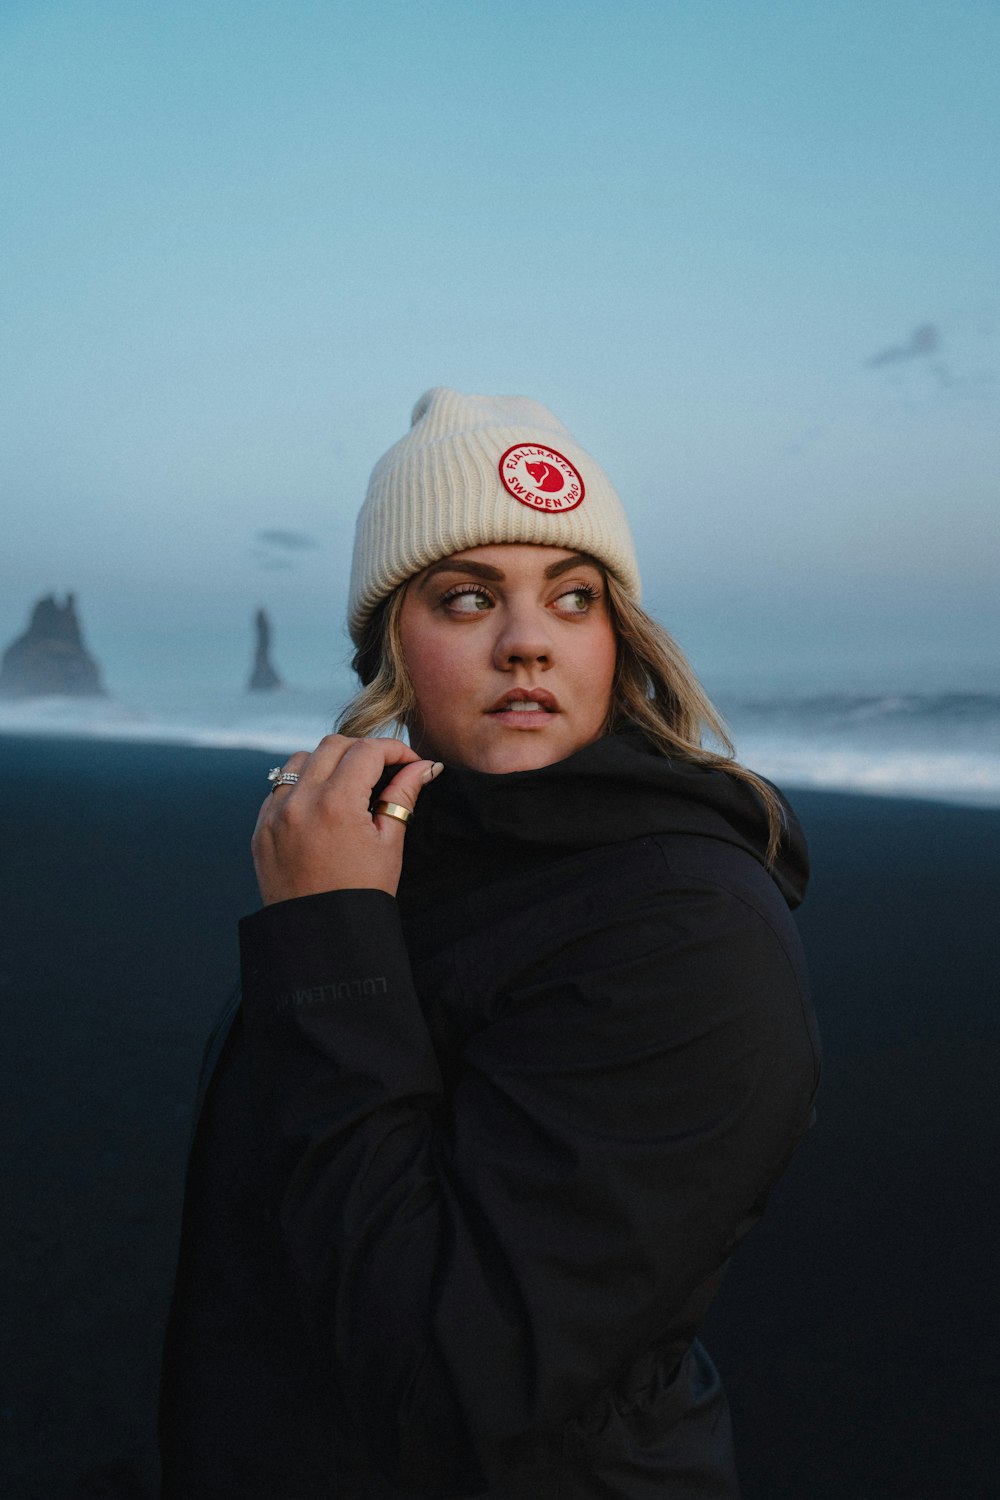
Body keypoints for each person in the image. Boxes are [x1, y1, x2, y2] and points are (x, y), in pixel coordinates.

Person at [159, 388, 820, 1498]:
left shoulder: (685, 930)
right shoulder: (390, 853)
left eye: (572, 598)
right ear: (388, 649)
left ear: (620, 639)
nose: (527, 643)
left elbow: (448, 1387)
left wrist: (325, 942)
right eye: (466, 600)